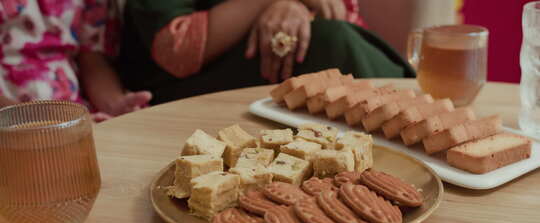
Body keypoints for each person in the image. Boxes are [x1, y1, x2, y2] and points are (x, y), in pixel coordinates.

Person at [119, 0, 415, 105]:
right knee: (331, 43)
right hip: (181, 91)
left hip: (280, 75)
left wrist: (293, 7)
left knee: (335, 41)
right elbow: (176, 50)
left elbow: (336, 12)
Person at [0, 0, 152, 121]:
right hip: (9, 115)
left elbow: (91, 56)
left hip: (73, 114)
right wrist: (31, 123)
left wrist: (115, 105)